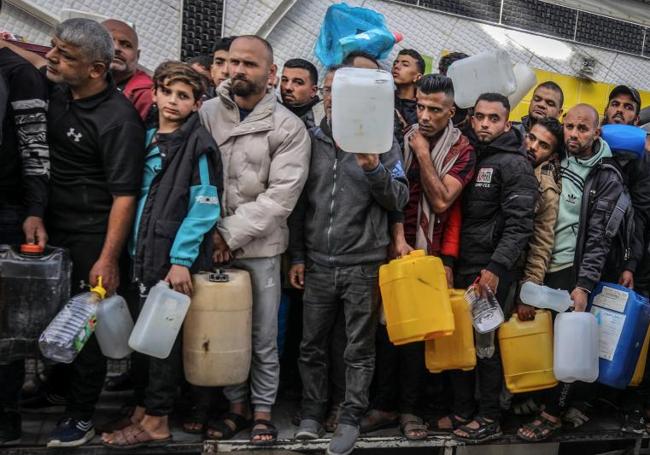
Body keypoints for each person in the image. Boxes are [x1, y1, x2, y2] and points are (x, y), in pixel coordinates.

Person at [0, 18, 147, 447]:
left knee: (83, 330)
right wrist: (36, 212)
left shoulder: (118, 120)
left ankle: (81, 416)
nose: (53, 58)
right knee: (50, 321)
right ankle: (57, 389)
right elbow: (29, 56)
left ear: (97, 70)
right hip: (53, 229)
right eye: (53, 48)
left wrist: (106, 257)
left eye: (65, 55)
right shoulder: (60, 92)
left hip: (92, 237)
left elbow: (124, 196)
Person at [101, 61, 221, 449]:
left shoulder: (198, 145)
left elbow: (204, 206)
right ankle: (142, 408)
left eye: (183, 95)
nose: (173, 101)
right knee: (142, 341)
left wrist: (181, 260)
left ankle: (158, 420)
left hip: (170, 265)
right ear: (153, 93)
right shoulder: (149, 137)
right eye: (167, 92)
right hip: (142, 257)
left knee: (161, 344)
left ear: (197, 103)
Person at [289, 63, 408, 455]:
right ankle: (311, 412)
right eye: (326, 90)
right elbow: (301, 206)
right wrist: (299, 256)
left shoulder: (381, 142)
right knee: (312, 345)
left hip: (363, 265)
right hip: (319, 264)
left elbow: (399, 199)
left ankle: (350, 418)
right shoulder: (312, 140)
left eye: (338, 91)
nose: (330, 97)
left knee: (358, 349)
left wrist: (373, 167)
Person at [199, 35, 310, 444]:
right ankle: (235, 409)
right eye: (234, 63)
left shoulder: (289, 128)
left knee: (263, 335)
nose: (238, 71)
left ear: (271, 74)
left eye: (250, 64)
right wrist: (209, 233)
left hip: (261, 249)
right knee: (222, 330)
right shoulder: (207, 113)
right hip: (208, 243)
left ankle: (263, 411)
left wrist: (227, 234)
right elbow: (192, 176)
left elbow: (281, 197)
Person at [364, 74, 475, 440]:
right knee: (385, 330)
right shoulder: (401, 138)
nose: (425, 116)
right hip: (392, 245)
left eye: (435, 110)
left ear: (452, 111)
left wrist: (424, 154)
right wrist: (397, 236)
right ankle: (383, 405)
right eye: (421, 107)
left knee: (418, 332)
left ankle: (411, 410)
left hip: (432, 252)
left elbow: (443, 200)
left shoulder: (463, 150)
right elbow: (393, 193)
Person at [517, 105, 627, 442]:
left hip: (572, 271)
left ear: (597, 132)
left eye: (583, 128)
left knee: (569, 348)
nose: (574, 135)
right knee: (541, 342)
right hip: (542, 264)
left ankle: (554, 413)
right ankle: (539, 401)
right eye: (570, 127)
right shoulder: (555, 157)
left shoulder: (607, 175)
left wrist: (583, 284)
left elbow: (599, 238)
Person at [450, 93, 537, 444]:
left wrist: (496, 267)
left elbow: (520, 225)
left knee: (486, 346)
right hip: (465, 265)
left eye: (494, 118)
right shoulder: (472, 154)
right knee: (463, 344)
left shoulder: (514, 164)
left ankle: (489, 416)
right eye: (480, 117)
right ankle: (464, 410)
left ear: (507, 122)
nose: (485, 124)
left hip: (491, 271)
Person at [0, 44, 50, 445]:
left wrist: (34, 208)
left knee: (4, 321)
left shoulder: (18, 73)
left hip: (6, 209)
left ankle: (6, 415)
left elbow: (35, 147)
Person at [514, 118, 563, 322]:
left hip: (511, 270)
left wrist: (528, 295)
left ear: (552, 154)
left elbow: (541, 246)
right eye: (531, 138)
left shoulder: (546, 190)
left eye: (543, 145)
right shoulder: (503, 157)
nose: (533, 147)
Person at [102, 19, 153, 120]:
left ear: (137, 56)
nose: (116, 48)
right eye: (109, 43)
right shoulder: (74, 78)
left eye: (126, 45)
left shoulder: (146, 95)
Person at [392, 49, 424, 145]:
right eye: (395, 63)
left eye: (405, 65)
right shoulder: (384, 97)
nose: (397, 67)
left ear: (418, 77)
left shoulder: (421, 109)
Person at [280, 58, 320, 129]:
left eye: (298, 82)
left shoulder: (319, 124)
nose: (288, 87)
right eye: (284, 80)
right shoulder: (273, 107)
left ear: (313, 91)